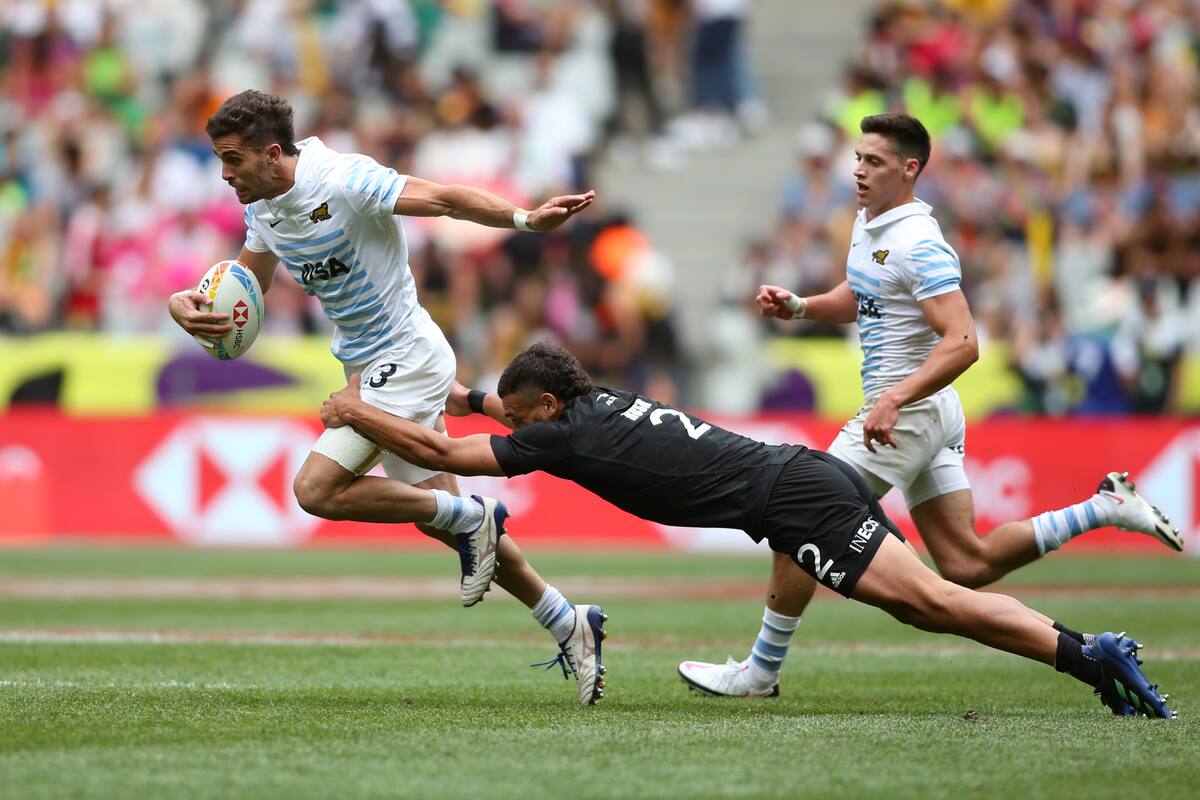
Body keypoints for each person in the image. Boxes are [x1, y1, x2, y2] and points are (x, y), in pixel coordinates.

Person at [319, 341, 1176, 719]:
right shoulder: (585, 406)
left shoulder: (561, 437)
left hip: (793, 498)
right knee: (940, 594)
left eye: (517, 414)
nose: (512, 424)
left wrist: (358, 410)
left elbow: (446, 455)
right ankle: (760, 673)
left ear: (543, 407)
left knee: (941, 601)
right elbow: (477, 416)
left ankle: (1091, 651)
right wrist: (461, 395)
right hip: (789, 484)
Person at [679, 112, 1182, 699]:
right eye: (859, 158)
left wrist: (894, 397)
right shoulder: (870, 223)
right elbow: (861, 294)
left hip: (907, 412)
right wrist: (799, 306)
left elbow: (964, 341)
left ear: (910, 168)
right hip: (925, 411)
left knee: (798, 509)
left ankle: (760, 672)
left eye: (874, 162)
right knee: (967, 562)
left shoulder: (919, 241)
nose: (859, 170)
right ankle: (1102, 508)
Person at [166, 90, 605, 706]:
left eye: (232, 158)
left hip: (407, 353)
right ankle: (568, 621)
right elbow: (244, 292)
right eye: (219, 159)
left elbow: (447, 199)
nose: (224, 173)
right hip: (368, 364)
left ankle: (472, 517)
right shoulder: (263, 207)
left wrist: (526, 220)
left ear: (272, 153)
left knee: (315, 489)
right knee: (451, 526)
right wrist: (185, 304)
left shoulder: (343, 179)